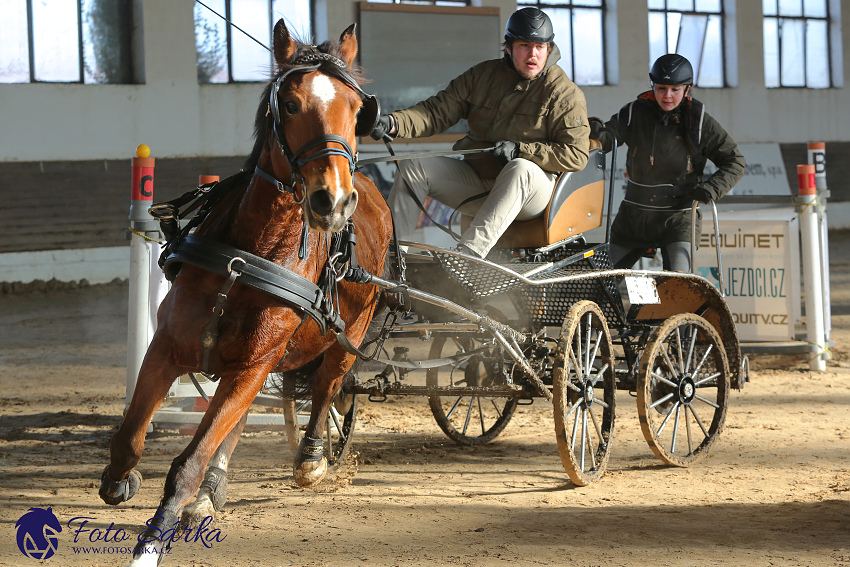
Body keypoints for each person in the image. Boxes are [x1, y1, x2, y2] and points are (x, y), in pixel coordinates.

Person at [370, 7, 590, 259]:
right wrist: (393, 122)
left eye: (540, 47)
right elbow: (436, 111)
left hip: (533, 192)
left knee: (519, 168)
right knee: (411, 168)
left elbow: (576, 155)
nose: (533, 54)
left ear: (549, 49)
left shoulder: (564, 93)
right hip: (480, 179)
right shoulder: (482, 76)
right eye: (524, 45)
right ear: (508, 47)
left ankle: (467, 258)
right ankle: (393, 261)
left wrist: (521, 150)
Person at [589, 53, 745, 272]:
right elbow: (608, 139)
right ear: (653, 86)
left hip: (679, 218)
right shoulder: (634, 112)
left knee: (679, 287)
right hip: (634, 216)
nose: (668, 96)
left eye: (675, 89)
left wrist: (711, 189)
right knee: (600, 281)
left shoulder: (700, 122)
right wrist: (594, 133)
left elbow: (735, 161)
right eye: (661, 88)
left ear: (687, 89)